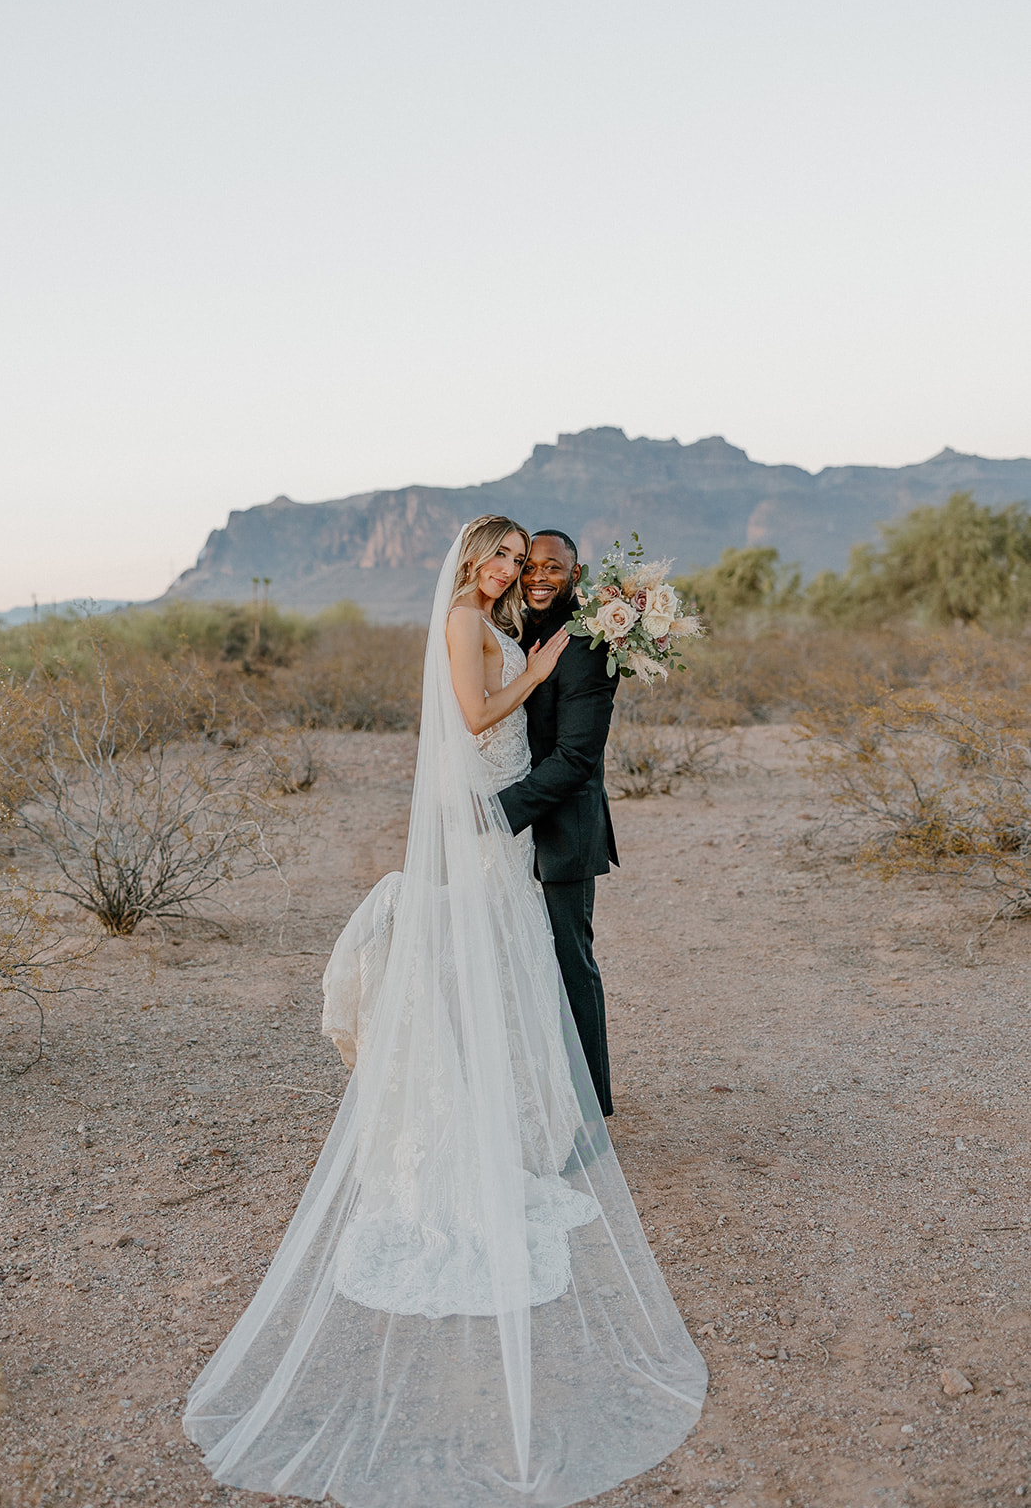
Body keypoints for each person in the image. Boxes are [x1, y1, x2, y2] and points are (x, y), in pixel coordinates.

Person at [182, 516, 706, 1508]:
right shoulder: (476, 621)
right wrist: (536, 669)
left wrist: (550, 660)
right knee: (506, 963)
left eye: (527, 559)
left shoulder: (513, 619)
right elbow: (473, 717)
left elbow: (541, 732)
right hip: (491, 800)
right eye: (503, 555)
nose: (515, 570)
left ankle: (541, 1113)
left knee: (529, 968)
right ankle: (512, 1122)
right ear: (471, 562)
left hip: (508, 810)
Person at [497, 530, 619, 1116]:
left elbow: (576, 759)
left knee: (572, 965)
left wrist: (498, 813)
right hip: (517, 832)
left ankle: (592, 1108)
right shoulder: (522, 632)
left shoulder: (590, 646)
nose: (538, 576)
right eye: (529, 567)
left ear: (576, 573)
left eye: (552, 567)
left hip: (562, 831)